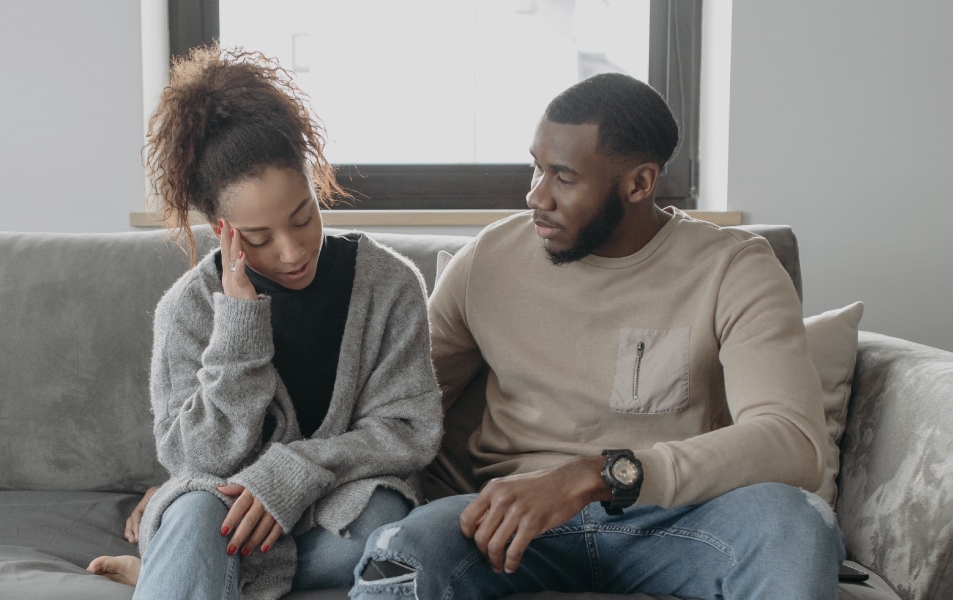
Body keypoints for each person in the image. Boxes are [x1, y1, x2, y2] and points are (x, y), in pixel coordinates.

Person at [349, 73, 845, 599]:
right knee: (398, 554)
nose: (536, 195)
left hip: (681, 521)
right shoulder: (488, 261)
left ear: (639, 183)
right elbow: (401, 405)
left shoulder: (734, 269)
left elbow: (793, 440)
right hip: (510, 524)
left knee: (797, 526)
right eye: (536, 167)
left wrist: (598, 475)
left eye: (563, 177)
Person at [86, 45, 442, 600]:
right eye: (258, 238)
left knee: (384, 529)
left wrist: (292, 472)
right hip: (227, 515)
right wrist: (238, 329)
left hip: (337, 510)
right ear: (220, 227)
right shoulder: (187, 310)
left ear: (314, 182)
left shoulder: (389, 285)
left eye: (304, 216)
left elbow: (409, 432)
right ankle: (190, 554)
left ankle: (182, 566)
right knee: (196, 511)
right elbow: (196, 460)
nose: (293, 250)